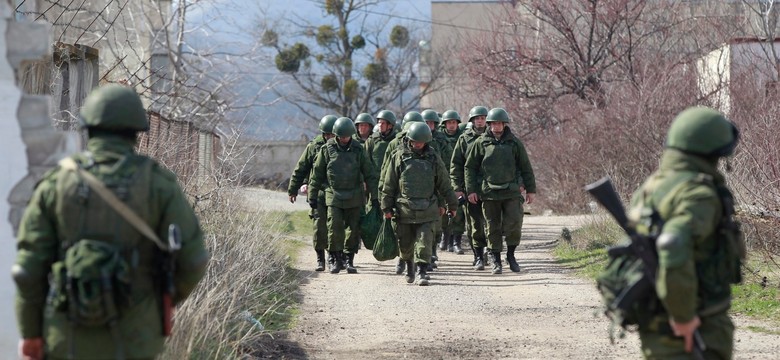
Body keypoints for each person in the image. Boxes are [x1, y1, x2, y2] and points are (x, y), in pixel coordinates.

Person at [12, 84, 209, 359]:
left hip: (64, 340)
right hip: (136, 339)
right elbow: (195, 259)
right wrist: (156, 302)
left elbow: (27, 269)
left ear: (88, 129)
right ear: (136, 133)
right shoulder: (159, 184)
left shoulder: (56, 184)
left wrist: (31, 333)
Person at [628, 106, 742, 359]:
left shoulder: (654, 185)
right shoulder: (697, 194)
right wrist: (684, 317)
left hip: (656, 316)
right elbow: (672, 243)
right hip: (697, 323)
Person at [381, 122, 458, 285]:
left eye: (421, 142)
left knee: (424, 242)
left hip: (427, 208)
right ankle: (410, 268)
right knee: (406, 244)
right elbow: (389, 184)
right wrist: (386, 207)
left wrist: (452, 205)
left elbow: (444, 183)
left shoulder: (433, 158)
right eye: (415, 141)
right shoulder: (399, 156)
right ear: (409, 140)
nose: (417, 145)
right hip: (404, 209)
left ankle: (422, 271)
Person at [464, 107, 535, 274]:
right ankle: (496, 260)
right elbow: (470, 168)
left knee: (514, 224)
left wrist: (530, 190)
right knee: (492, 227)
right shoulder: (480, 143)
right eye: (494, 123)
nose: (496, 126)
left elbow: (525, 167)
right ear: (489, 125)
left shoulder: (514, 143)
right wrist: (471, 190)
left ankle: (511, 255)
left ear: (504, 124)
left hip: (511, 191)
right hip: (489, 193)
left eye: (499, 123)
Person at [309, 117, 378, 274]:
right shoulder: (327, 150)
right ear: (336, 135)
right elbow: (317, 174)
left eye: (347, 136)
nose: (344, 139)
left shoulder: (359, 150)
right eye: (341, 136)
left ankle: (349, 259)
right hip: (333, 194)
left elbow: (370, 174)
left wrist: (374, 197)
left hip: (354, 195)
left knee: (353, 229)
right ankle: (334, 258)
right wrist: (312, 196)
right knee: (334, 227)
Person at [288, 115, 338, 271]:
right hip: (317, 191)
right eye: (327, 134)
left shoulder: (342, 147)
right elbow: (301, 168)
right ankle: (320, 258)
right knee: (319, 226)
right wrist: (293, 189)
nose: (329, 137)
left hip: (336, 193)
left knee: (334, 226)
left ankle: (333, 257)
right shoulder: (314, 147)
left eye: (332, 134)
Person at [450, 105, 490, 269]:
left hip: (491, 188)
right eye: (477, 118)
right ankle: (478, 255)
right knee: (475, 225)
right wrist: (458, 188)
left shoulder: (494, 135)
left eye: (482, 118)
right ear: (472, 120)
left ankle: (493, 254)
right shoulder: (464, 138)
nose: (480, 121)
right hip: (470, 188)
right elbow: (456, 165)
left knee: (493, 224)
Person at [438, 110, 466, 254]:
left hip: (458, 177)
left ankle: (456, 241)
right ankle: (445, 237)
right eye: (449, 122)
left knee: (459, 210)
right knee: (443, 208)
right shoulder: (439, 138)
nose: (451, 125)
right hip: (443, 177)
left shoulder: (463, 138)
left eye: (454, 122)